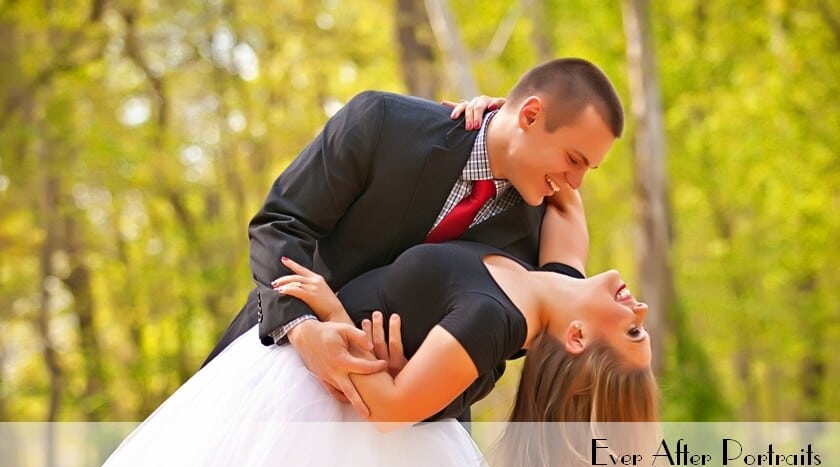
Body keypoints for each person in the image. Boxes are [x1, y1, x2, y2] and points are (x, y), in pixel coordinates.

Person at [102, 195, 666, 467]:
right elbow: (566, 185)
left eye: (632, 329)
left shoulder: (493, 316)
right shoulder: (555, 281)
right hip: (302, 400)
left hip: (336, 420)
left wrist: (332, 314)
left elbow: (391, 409)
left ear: (576, 337)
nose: (637, 305)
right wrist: (497, 112)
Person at [202, 57, 624, 421]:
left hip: (400, 432)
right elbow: (281, 223)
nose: (576, 181)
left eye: (588, 169)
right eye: (573, 160)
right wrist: (303, 330)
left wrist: (414, 380)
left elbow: (491, 365)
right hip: (277, 363)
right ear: (530, 116)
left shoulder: (534, 249)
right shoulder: (382, 123)